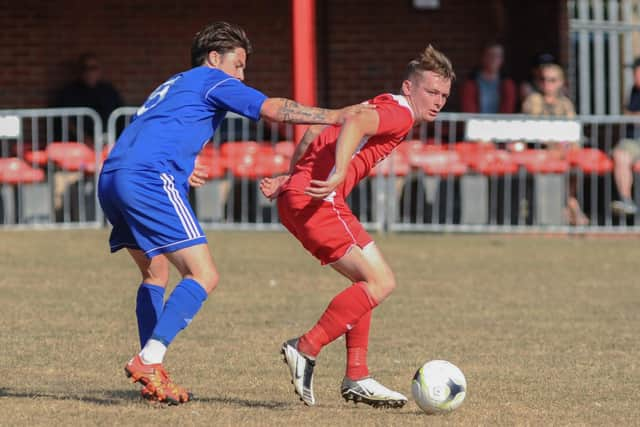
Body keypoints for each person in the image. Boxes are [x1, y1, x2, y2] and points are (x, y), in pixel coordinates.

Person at [98, 21, 373, 405]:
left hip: (114, 175)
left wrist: (180, 164)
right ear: (215, 59)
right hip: (147, 177)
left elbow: (155, 127)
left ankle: (153, 370)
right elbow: (273, 109)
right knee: (203, 274)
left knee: (155, 270)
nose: (241, 76)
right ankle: (149, 360)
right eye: (238, 65)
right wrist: (335, 115)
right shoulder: (213, 79)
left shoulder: (178, 82)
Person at [259, 45, 454, 408]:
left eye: (444, 95)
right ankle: (306, 347)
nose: (439, 100)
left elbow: (312, 134)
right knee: (381, 282)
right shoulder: (399, 113)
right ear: (408, 88)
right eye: (431, 91)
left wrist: (291, 176)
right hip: (319, 201)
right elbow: (354, 123)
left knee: (364, 283)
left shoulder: (382, 102)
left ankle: (358, 376)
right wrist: (336, 173)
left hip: (301, 198)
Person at [522, 63, 588, 225]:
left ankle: (569, 202)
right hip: (540, 149)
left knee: (577, 161)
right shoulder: (533, 100)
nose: (547, 84)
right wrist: (557, 145)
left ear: (560, 83)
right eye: (543, 79)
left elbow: (573, 130)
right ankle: (571, 205)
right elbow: (535, 129)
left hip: (561, 151)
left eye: (552, 80)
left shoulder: (565, 103)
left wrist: (568, 147)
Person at [53, 53, 123, 135]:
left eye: (93, 68)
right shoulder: (68, 93)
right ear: (79, 71)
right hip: (78, 143)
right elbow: (65, 121)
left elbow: (120, 117)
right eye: (84, 68)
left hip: (108, 141)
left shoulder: (110, 92)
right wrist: (85, 139)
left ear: (100, 70)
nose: (89, 72)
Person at [611, 58, 640, 216]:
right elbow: (628, 114)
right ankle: (626, 201)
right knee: (620, 154)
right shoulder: (634, 91)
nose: (635, 75)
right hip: (633, 142)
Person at [459, 42, 516, 114]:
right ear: (483, 57)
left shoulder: (508, 84)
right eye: (490, 55)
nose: (494, 59)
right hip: (476, 124)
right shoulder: (470, 84)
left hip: (501, 124)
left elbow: (508, 111)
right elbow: (469, 112)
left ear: (502, 59)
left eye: (498, 56)